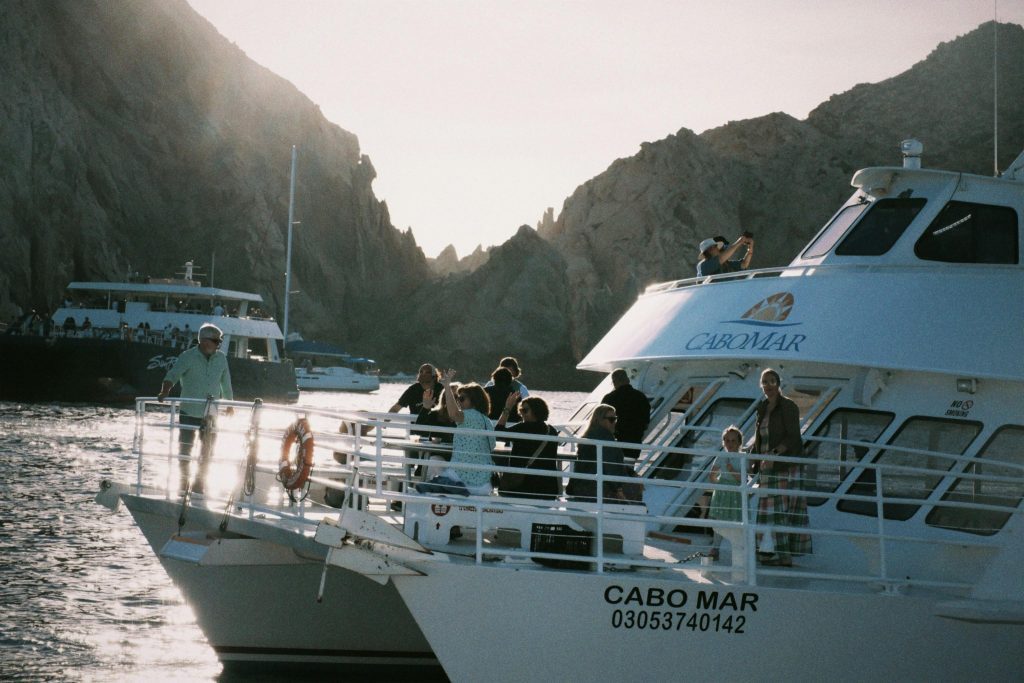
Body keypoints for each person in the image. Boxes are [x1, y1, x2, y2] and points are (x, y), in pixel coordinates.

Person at [157, 323, 234, 493]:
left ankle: (200, 484)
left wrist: (229, 404)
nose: (218, 344)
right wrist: (165, 391)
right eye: (216, 340)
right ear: (205, 341)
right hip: (189, 411)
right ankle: (183, 484)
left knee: (208, 450)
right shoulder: (187, 356)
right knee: (185, 448)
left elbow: (226, 383)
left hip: (211, 414)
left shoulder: (221, 358)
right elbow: (173, 375)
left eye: (219, 341)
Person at [753, 368, 811, 567]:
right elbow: (760, 438)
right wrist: (752, 459)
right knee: (768, 512)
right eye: (764, 382)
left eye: (771, 381)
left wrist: (775, 454)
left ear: (778, 384)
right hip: (767, 467)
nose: (768, 386)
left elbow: (793, 436)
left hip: (784, 465)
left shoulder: (788, 406)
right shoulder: (762, 407)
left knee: (781, 512)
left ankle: (784, 556)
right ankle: (767, 553)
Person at [416, 370, 495, 496]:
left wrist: (446, 386)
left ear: (474, 400)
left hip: (462, 478)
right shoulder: (487, 421)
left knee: (425, 485)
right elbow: (492, 446)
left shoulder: (469, 415)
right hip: (483, 481)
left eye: (461, 398)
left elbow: (453, 414)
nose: (458, 402)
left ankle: (446, 488)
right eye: (457, 399)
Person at [567, 404, 641, 503]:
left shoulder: (589, 436)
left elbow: (610, 464)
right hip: (596, 489)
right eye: (611, 419)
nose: (614, 422)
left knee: (635, 485)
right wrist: (619, 489)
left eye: (615, 419)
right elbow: (609, 466)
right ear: (599, 420)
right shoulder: (604, 438)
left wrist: (631, 473)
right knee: (636, 490)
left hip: (582, 487)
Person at [494, 393, 560, 499]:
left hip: (523, 485)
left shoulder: (523, 428)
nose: (521, 414)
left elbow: (498, 434)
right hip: (548, 486)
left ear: (536, 411)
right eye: (520, 410)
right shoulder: (552, 430)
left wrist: (507, 409)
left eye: (525, 410)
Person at [708, 425, 745, 560]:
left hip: (735, 492)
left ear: (739, 443)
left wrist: (731, 470)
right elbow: (712, 475)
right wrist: (717, 482)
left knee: (735, 521)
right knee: (719, 521)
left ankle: (739, 548)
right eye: (727, 441)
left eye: (733, 441)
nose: (730, 444)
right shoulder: (721, 456)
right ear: (723, 442)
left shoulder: (742, 458)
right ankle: (715, 548)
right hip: (722, 491)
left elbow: (743, 479)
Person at [601, 368, 650, 460]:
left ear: (614, 382)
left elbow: (601, 421)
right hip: (634, 442)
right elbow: (646, 422)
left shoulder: (609, 398)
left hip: (613, 442)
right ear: (628, 380)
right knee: (629, 468)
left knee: (611, 469)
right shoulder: (641, 397)